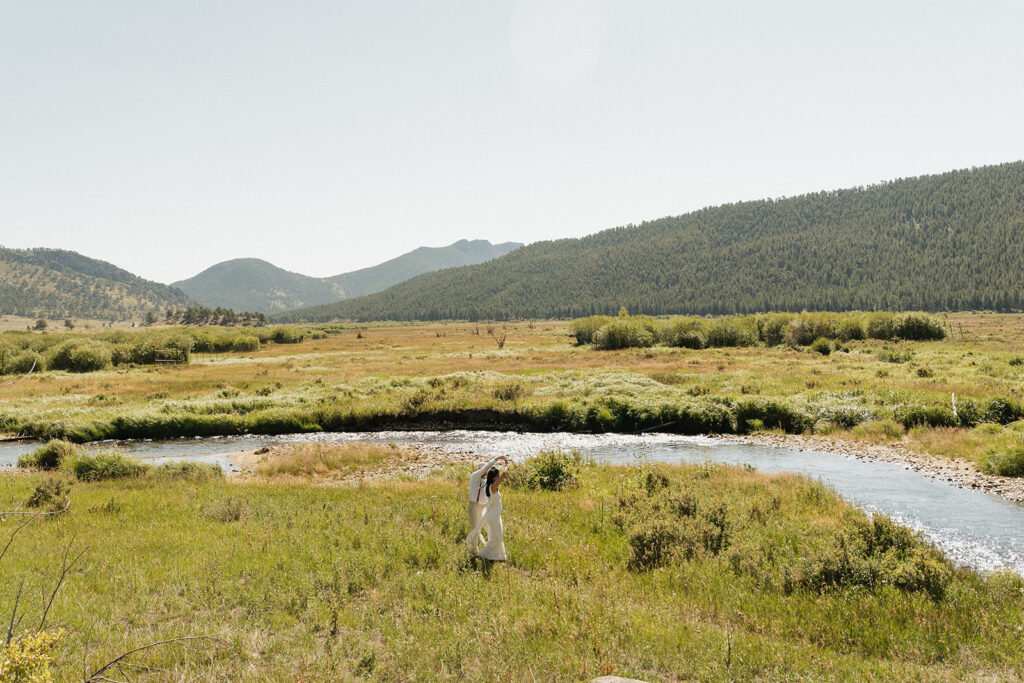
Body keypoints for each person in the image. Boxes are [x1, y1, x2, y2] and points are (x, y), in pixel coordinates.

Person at [467, 455, 507, 554]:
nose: (486, 470)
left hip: (484, 506)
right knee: (475, 528)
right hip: (474, 505)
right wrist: (496, 459)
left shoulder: (485, 481)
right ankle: (474, 550)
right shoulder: (474, 476)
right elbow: (486, 468)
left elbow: (488, 495)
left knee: (489, 527)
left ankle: (491, 547)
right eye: (484, 469)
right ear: (480, 469)